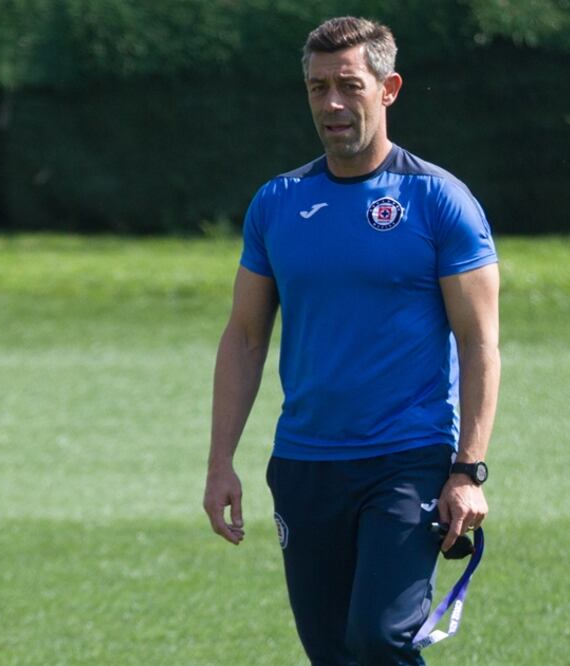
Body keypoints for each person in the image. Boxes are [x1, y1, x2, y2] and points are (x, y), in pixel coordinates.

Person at [201, 16, 501, 666]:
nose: (331, 104)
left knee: (379, 637)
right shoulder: (277, 203)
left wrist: (467, 470)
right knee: (333, 653)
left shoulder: (436, 200)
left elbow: (479, 343)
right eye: (317, 88)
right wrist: (219, 461)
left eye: (348, 86)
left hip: (406, 460)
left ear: (387, 87)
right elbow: (246, 336)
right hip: (304, 465)